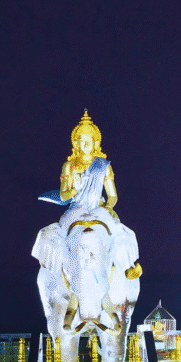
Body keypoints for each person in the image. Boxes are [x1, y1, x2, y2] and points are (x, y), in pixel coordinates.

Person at [33, 111, 140, 278]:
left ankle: (128, 267)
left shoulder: (103, 165)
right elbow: (62, 196)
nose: (86, 144)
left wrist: (109, 206)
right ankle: (54, 269)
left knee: (118, 230)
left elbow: (112, 195)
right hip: (76, 208)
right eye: (82, 141)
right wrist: (76, 189)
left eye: (89, 141)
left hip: (99, 207)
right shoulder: (69, 166)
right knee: (58, 234)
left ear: (95, 142)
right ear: (76, 143)